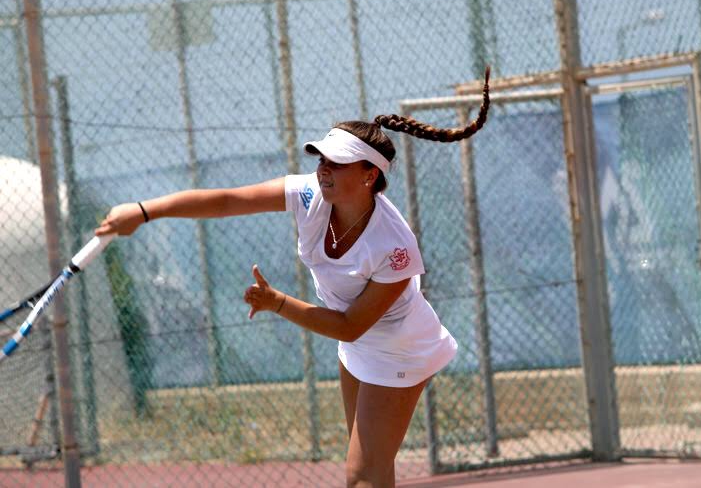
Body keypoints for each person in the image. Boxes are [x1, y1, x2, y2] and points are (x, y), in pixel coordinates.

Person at [95, 67, 490, 487]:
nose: (324, 169)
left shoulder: (394, 246)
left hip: (400, 348)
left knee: (361, 476)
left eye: (337, 163)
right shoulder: (308, 195)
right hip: (357, 344)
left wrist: (277, 303)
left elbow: (351, 325)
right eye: (322, 159)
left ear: (369, 174)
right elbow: (227, 201)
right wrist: (144, 211)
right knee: (373, 472)